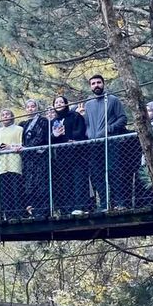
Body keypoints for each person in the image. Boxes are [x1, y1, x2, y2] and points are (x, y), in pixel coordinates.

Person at [84, 74, 134, 210]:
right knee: (97, 174)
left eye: (98, 82)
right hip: (94, 144)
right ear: (90, 86)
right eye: (93, 83)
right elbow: (87, 123)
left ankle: (120, 203)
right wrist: (88, 135)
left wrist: (109, 129)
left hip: (111, 141)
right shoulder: (88, 104)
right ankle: (105, 203)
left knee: (114, 171)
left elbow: (123, 118)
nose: (96, 85)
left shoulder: (112, 99)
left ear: (103, 83)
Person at [51, 96, 88, 214]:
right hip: (62, 157)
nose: (59, 104)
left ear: (66, 104)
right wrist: (55, 135)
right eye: (56, 102)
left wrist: (72, 138)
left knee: (79, 180)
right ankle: (68, 208)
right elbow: (50, 139)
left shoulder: (75, 115)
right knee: (65, 182)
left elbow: (81, 130)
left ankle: (80, 206)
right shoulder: (53, 121)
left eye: (61, 101)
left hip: (77, 155)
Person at [0, 109, 25, 220]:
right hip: (2, 165)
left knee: (16, 189)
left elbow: (22, 145)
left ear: (12, 116)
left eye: (7, 114)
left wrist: (10, 147)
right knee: (5, 192)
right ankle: (9, 215)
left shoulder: (19, 129)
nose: (5, 116)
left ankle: (18, 214)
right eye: (3, 114)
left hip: (15, 163)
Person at [20, 100, 50, 217]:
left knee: (41, 183)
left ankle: (43, 210)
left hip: (39, 157)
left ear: (37, 108)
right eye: (28, 107)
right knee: (30, 184)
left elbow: (41, 136)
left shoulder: (43, 121)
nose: (30, 109)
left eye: (33, 106)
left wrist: (27, 147)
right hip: (28, 159)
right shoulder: (24, 124)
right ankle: (33, 210)